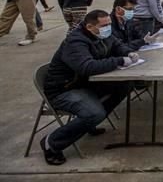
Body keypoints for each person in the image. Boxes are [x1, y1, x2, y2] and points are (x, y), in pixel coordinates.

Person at [40, 10, 138, 165]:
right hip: (64, 89)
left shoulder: (101, 35)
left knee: (125, 85)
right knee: (94, 113)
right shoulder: (75, 42)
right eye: (104, 25)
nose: (108, 27)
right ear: (90, 26)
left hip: (85, 84)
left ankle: (88, 124)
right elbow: (86, 67)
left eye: (109, 24)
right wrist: (119, 60)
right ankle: (52, 143)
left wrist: (129, 53)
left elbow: (117, 45)